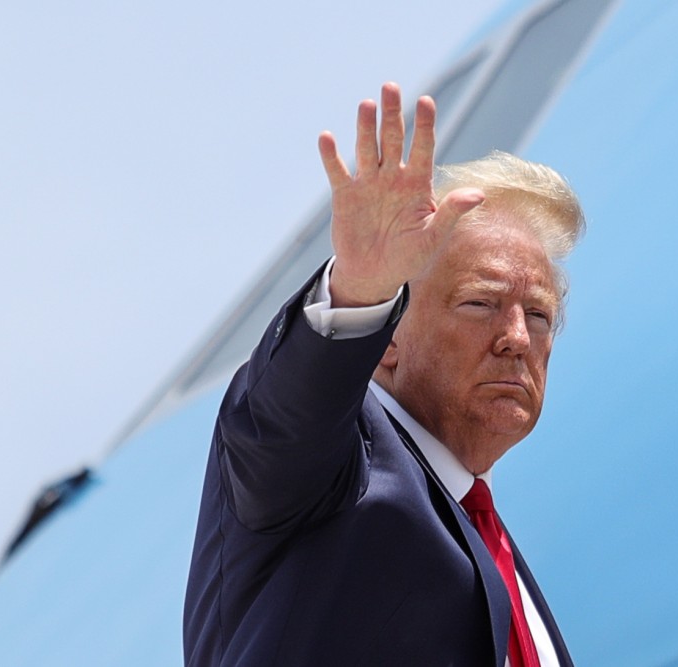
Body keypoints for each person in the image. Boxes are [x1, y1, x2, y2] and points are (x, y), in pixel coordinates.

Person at [183, 82, 584, 667]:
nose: (517, 338)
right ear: (389, 336)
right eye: (481, 303)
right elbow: (286, 416)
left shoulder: (501, 558)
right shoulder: (333, 460)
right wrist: (359, 291)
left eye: (540, 315)